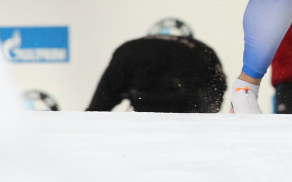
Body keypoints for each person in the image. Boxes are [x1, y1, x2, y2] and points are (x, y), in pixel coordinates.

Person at [87, 19, 226, 113]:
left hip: (142, 96)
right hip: (182, 107)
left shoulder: (131, 48)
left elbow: (101, 101)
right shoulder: (201, 49)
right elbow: (216, 92)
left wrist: (90, 117)